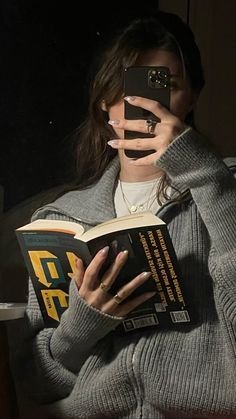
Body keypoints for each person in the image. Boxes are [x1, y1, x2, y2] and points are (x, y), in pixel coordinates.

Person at [7, 11, 236, 419]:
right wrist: (83, 324)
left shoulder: (225, 188)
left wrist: (204, 172)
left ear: (193, 98)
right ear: (105, 101)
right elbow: (35, 382)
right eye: (131, 88)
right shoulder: (60, 218)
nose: (146, 105)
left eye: (167, 87)